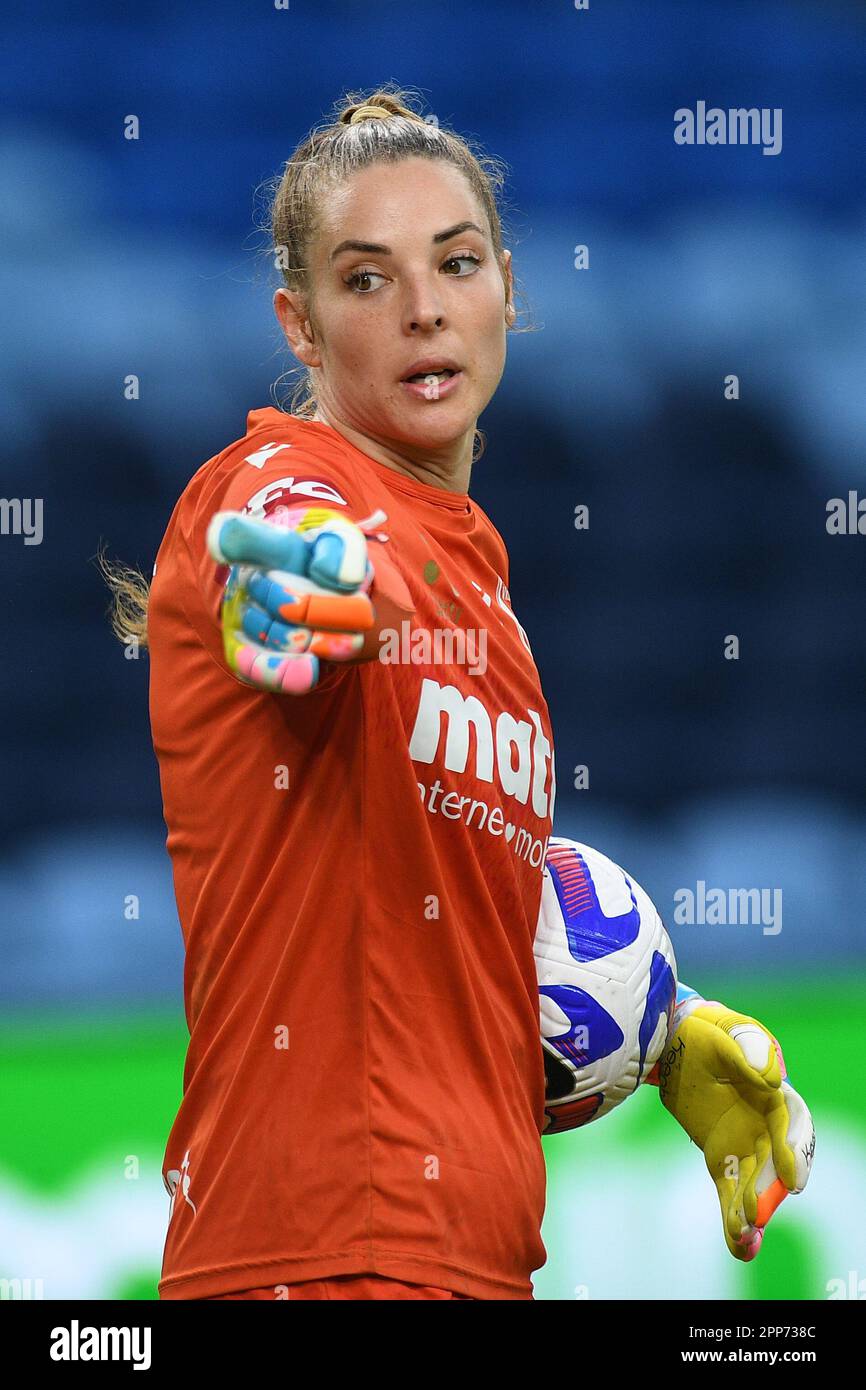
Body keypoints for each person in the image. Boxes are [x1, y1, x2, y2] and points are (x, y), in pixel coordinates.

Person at [104, 85, 814, 1301]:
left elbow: (439, 905)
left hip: (476, 1262)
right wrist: (301, 595)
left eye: (457, 262)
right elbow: (287, 549)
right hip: (318, 1252)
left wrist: (654, 1029)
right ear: (302, 326)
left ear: (505, 294)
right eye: (365, 278)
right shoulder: (275, 478)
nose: (423, 307)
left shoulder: (483, 588)